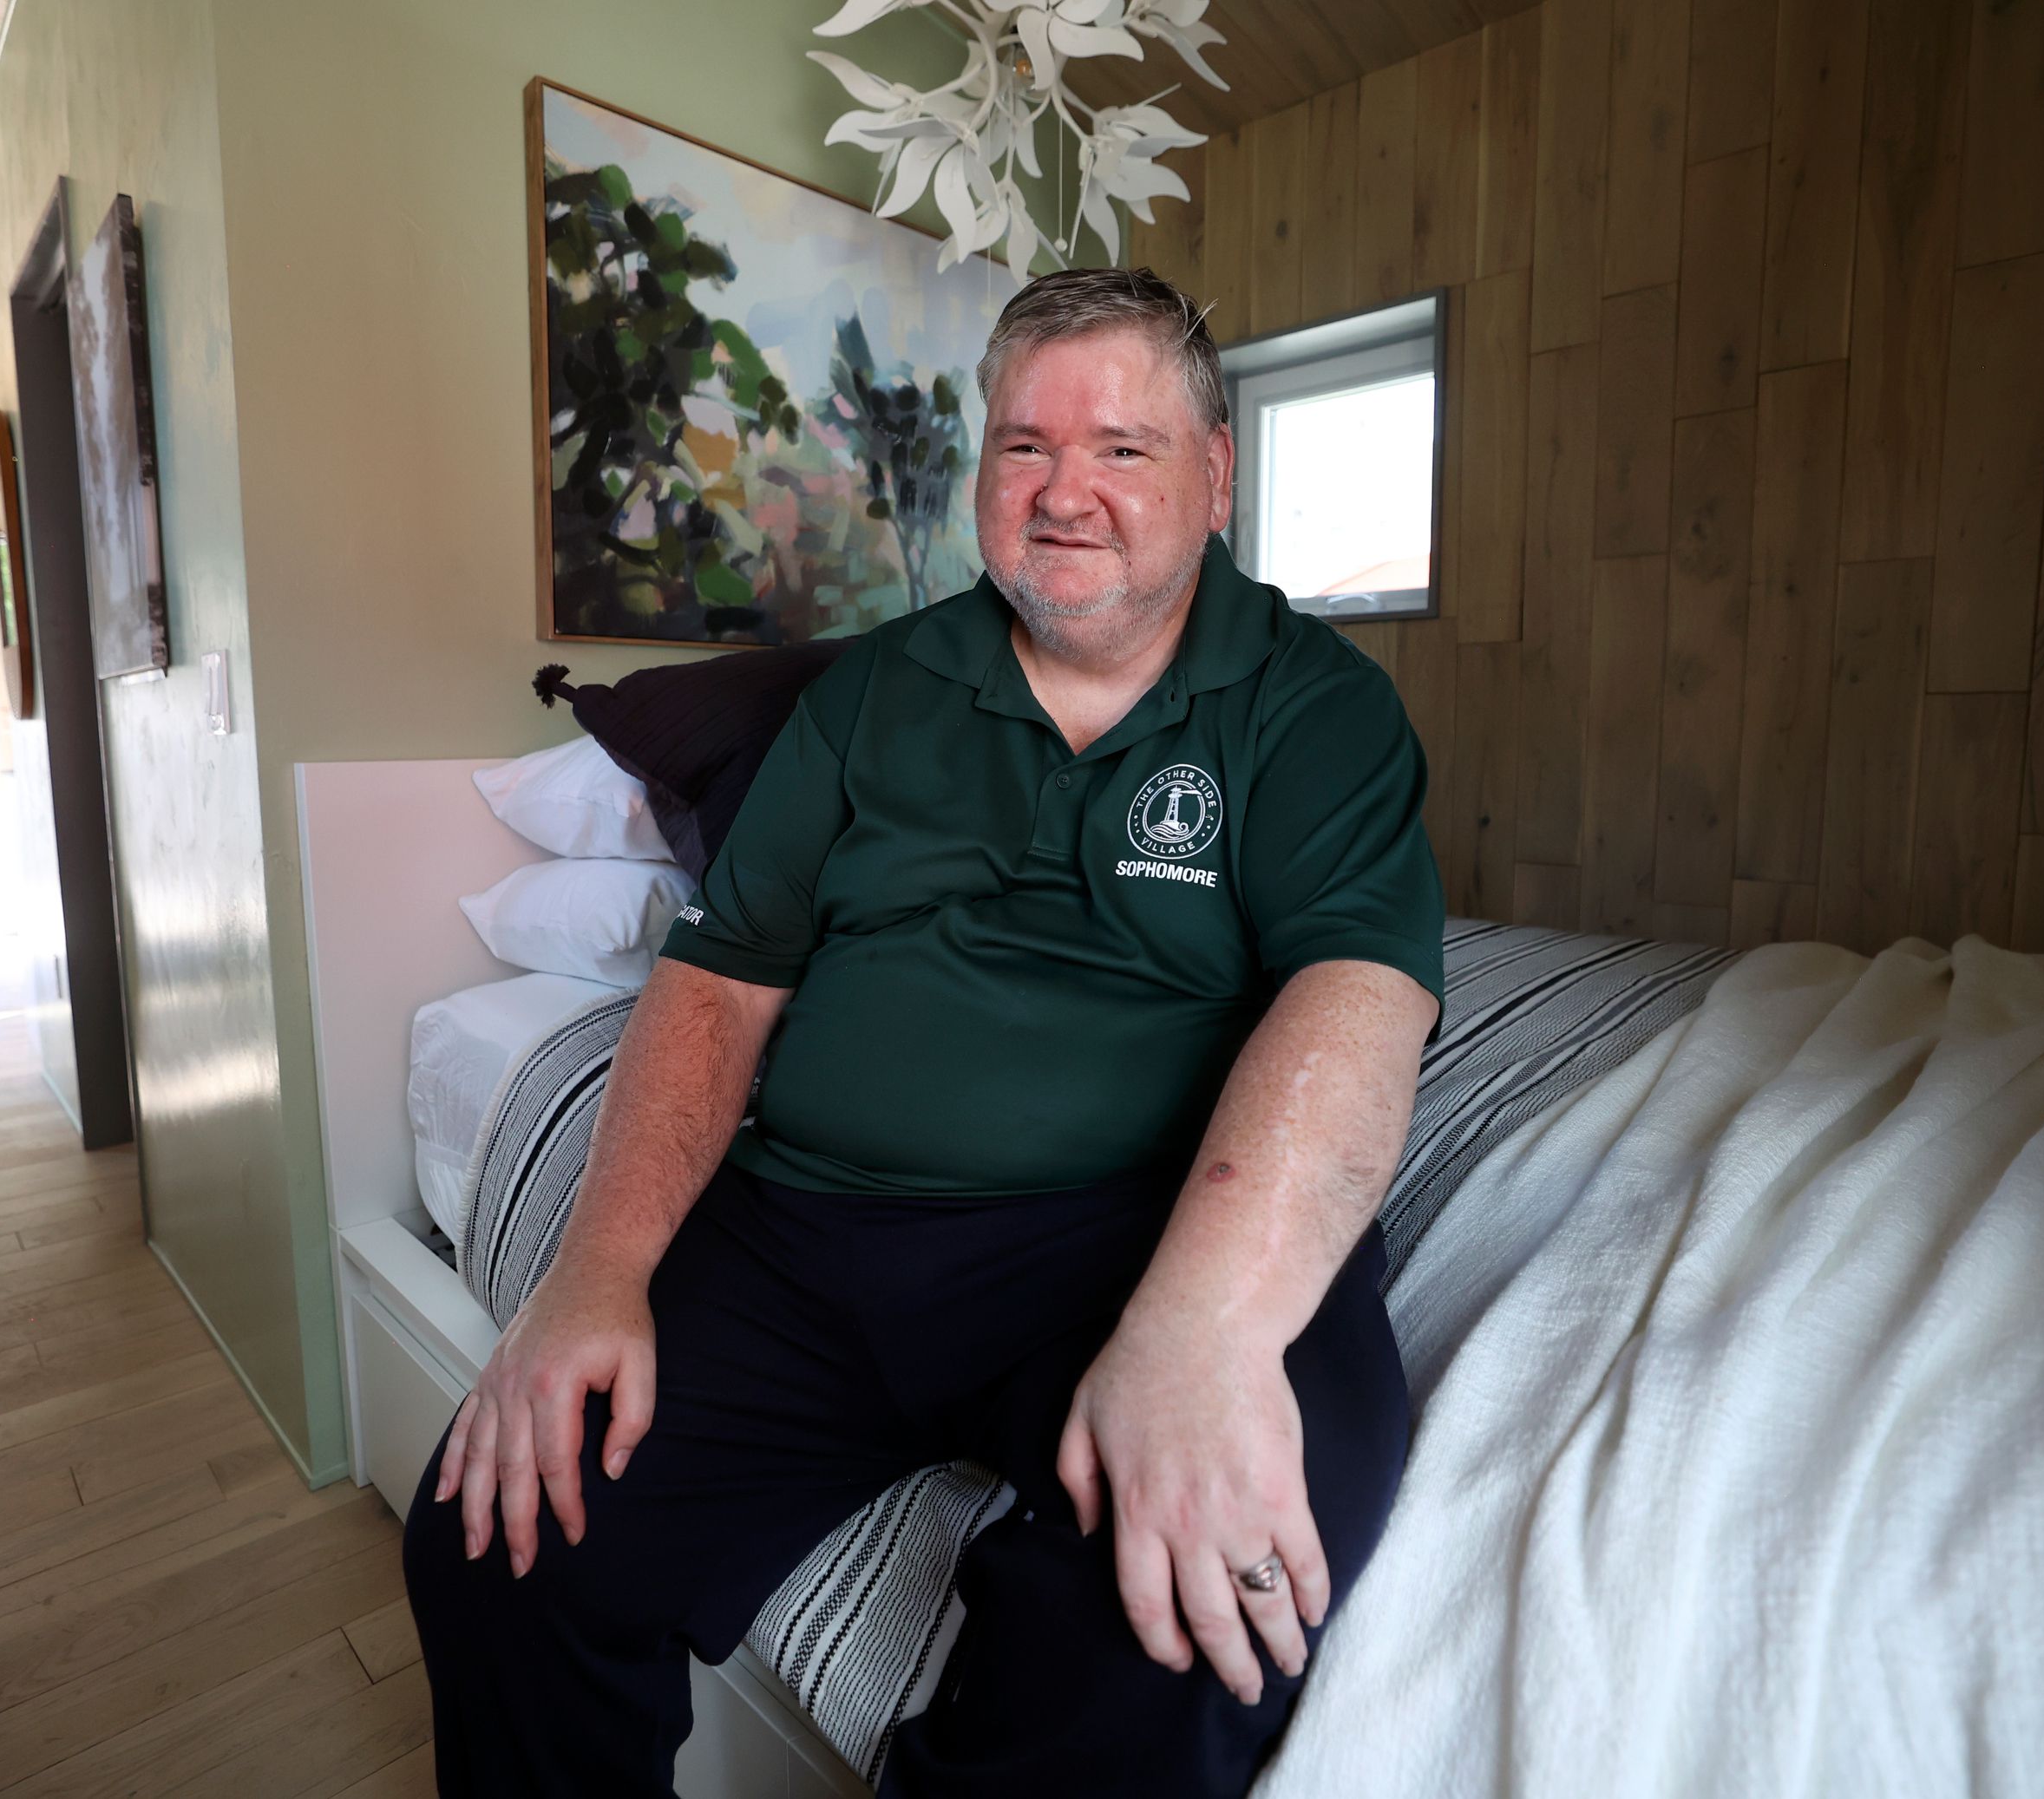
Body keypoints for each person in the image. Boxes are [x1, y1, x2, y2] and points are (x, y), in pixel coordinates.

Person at [400, 265, 1445, 1796]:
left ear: (1216, 477)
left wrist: (1205, 1331)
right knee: (500, 1533)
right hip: (811, 1232)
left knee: (1201, 1602)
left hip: (1140, 1237)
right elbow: (718, 981)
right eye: (1024, 446)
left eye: (1124, 449)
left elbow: (1358, 992)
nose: (1064, 491)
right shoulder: (872, 693)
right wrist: (597, 1269)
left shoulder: (1316, 707)